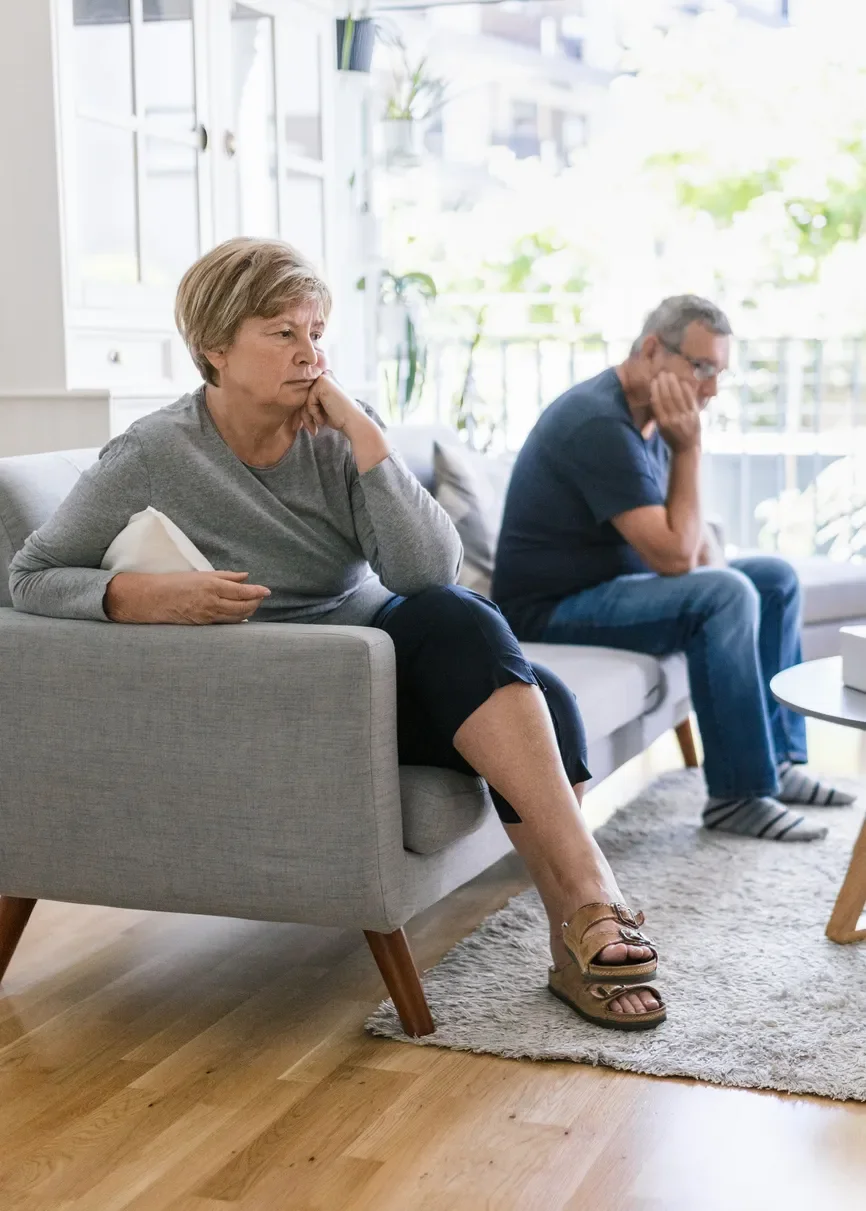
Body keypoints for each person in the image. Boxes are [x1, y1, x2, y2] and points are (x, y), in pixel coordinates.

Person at [8, 238, 664, 1030]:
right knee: (517, 679)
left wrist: (366, 439)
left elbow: (427, 571)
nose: (309, 352)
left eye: (317, 331)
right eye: (282, 332)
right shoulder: (153, 454)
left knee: (527, 683)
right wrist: (145, 595)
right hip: (294, 693)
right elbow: (29, 575)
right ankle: (594, 911)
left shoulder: (336, 434)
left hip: (380, 660)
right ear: (214, 346)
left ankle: (581, 918)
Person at [493, 295, 854, 843]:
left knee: (772, 580)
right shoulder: (597, 421)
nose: (710, 388)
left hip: (613, 587)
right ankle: (738, 795)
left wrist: (716, 570)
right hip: (549, 610)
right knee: (727, 595)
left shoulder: (652, 417)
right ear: (652, 348)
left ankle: (778, 763)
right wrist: (690, 449)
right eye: (701, 366)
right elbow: (674, 557)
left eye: (718, 372)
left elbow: (698, 549)